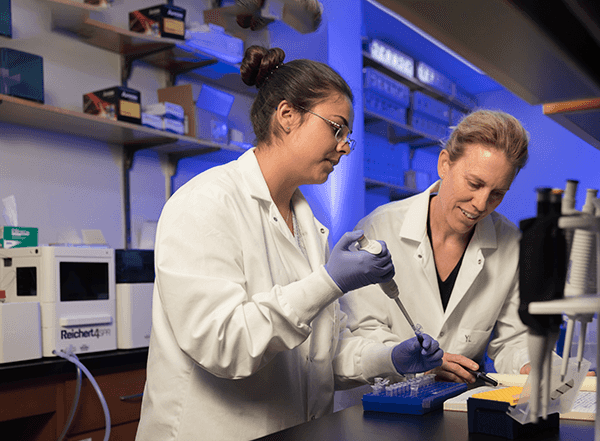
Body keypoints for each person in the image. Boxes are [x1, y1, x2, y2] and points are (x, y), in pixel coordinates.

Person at [135, 45, 443, 441]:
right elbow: (225, 343)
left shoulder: (308, 226)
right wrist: (327, 283)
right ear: (287, 116)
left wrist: (392, 357)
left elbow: (319, 355)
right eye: (337, 128)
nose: (346, 146)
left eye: (348, 135)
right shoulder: (206, 202)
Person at [340, 109, 551, 385]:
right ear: (444, 164)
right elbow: (361, 332)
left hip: (458, 403)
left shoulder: (511, 243)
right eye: (474, 183)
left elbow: (511, 341)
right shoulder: (379, 228)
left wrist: (529, 364)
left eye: (497, 193)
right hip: (387, 404)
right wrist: (416, 363)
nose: (481, 203)